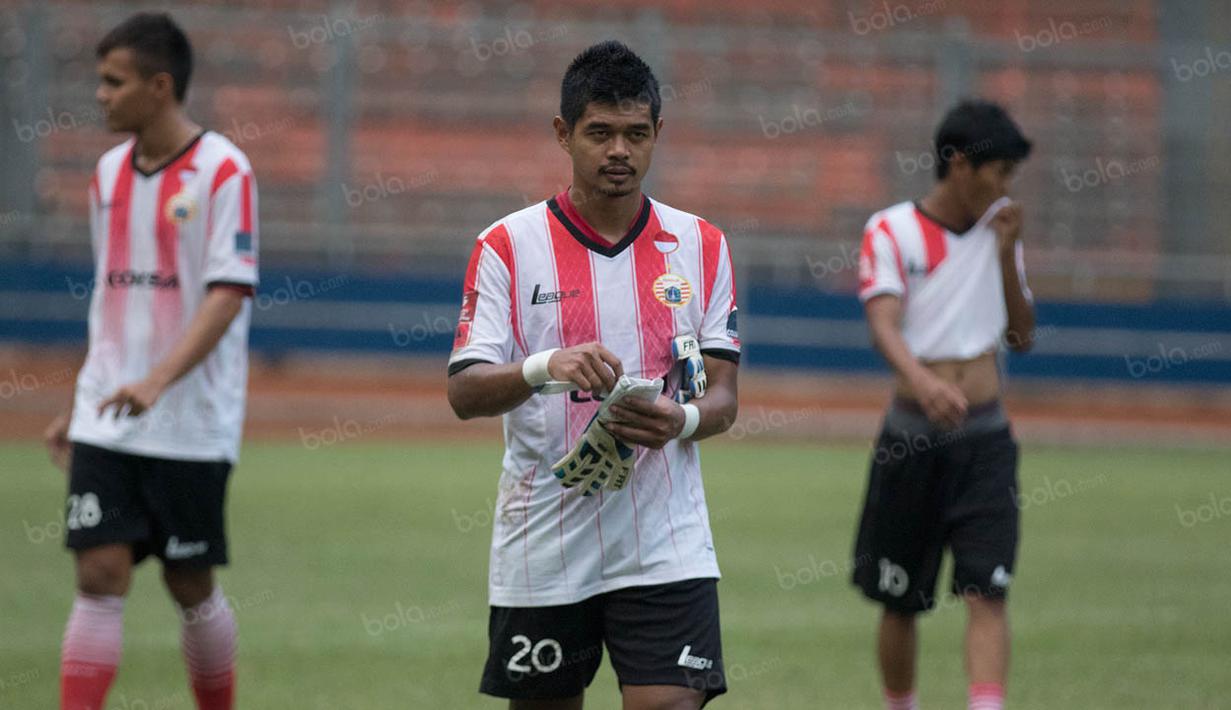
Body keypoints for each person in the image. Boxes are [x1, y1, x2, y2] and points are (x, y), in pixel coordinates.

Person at [447, 40, 741, 710]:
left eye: (636, 134)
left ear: (657, 134)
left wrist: (683, 420)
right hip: (544, 537)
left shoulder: (700, 245)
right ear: (563, 133)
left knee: (667, 703)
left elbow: (719, 393)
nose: (619, 151)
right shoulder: (505, 245)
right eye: (599, 133)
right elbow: (464, 392)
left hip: (664, 538)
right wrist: (544, 366)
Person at [43, 12, 258, 710]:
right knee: (99, 572)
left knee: (187, 583)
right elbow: (110, 297)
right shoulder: (107, 173)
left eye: (114, 82)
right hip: (108, 412)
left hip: (191, 419)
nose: (101, 95)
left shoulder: (225, 169)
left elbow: (228, 293)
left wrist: (157, 381)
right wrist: (83, 398)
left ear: (159, 86)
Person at [850, 99, 1036, 710]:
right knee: (899, 597)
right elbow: (883, 325)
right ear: (958, 164)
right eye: (999, 171)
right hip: (913, 436)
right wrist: (923, 384)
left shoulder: (1000, 232)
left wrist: (1008, 254)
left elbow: (1022, 336)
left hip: (987, 438)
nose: (1006, 186)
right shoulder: (892, 229)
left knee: (990, 591)